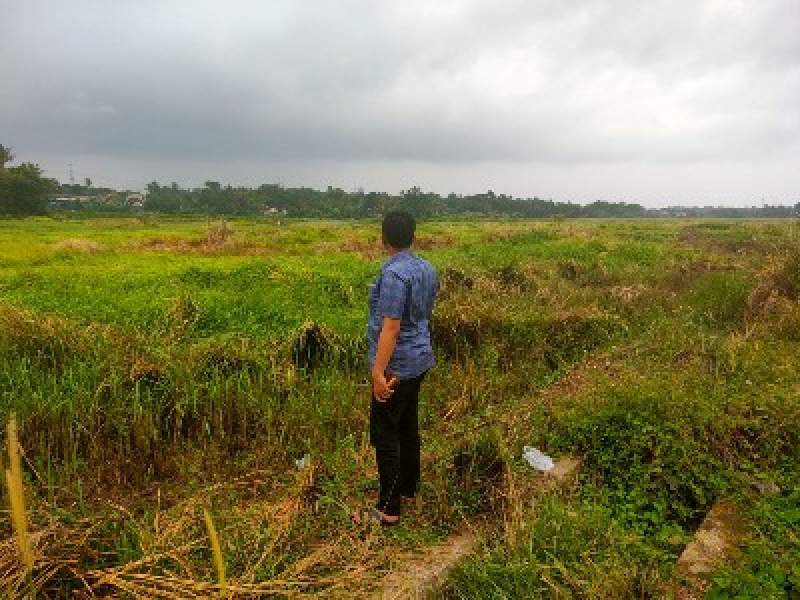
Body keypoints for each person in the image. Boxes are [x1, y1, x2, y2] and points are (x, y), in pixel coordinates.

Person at [352, 210, 438, 527]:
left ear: (383, 238)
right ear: (413, 237)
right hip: (420, 358)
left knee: (385, 432)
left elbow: (391, 327)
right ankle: (408, 488)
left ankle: (388, 509)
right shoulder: (426, 268)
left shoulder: (393, 275)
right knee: (407, 424)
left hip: (396, 366)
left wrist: (378, 372)